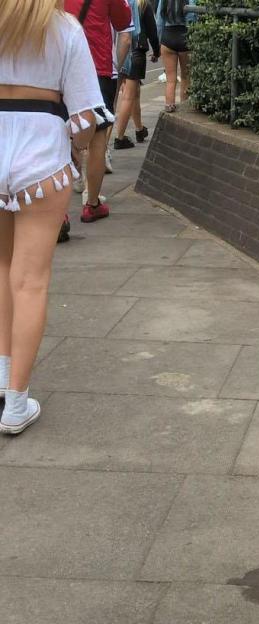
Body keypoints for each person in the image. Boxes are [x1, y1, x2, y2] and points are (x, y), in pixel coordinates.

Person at [0, 0, 101, 432]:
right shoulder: (64, 29)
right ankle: (17, 402)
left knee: (2, 267)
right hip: (42, 153)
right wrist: (76, 151)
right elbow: (84, 118)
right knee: (31, 280)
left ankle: (2, 378)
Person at [65, 0, 132, 224]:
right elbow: (124, 23)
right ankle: (91, 203)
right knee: (97, 137)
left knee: (60, 135)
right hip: (97, 69)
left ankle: (58, 213)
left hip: (60, 67)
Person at [114, 0, 159, 149]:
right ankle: (119, 138)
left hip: (117, 50)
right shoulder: (143, 4)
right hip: (135, 51)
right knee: (128, 96)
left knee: (129, 95)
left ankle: (139, 129)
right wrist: (156, 51)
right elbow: (152, 31)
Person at [156, 0, 191, 112]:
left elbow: (159, 22)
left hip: (168, 37)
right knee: (186, 77)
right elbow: (192, 17)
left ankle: (169, 105)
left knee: (171, 78)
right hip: (185, 36)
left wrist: (159, 42)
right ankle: (184, 106)